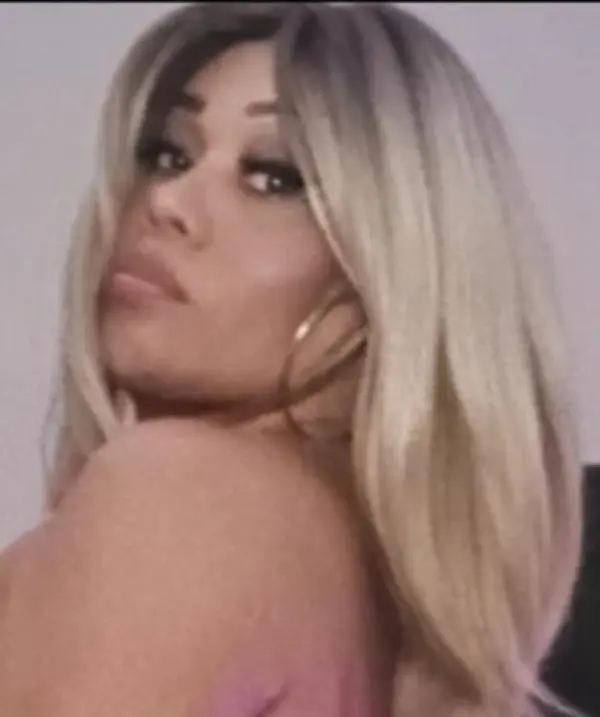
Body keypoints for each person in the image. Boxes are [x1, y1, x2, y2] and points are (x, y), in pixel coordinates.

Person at [0, 3, 584, 716]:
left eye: (274, 177)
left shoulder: (186, 499)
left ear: (384, 276)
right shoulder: (360, 595)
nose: (167, 200)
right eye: (167, 154)